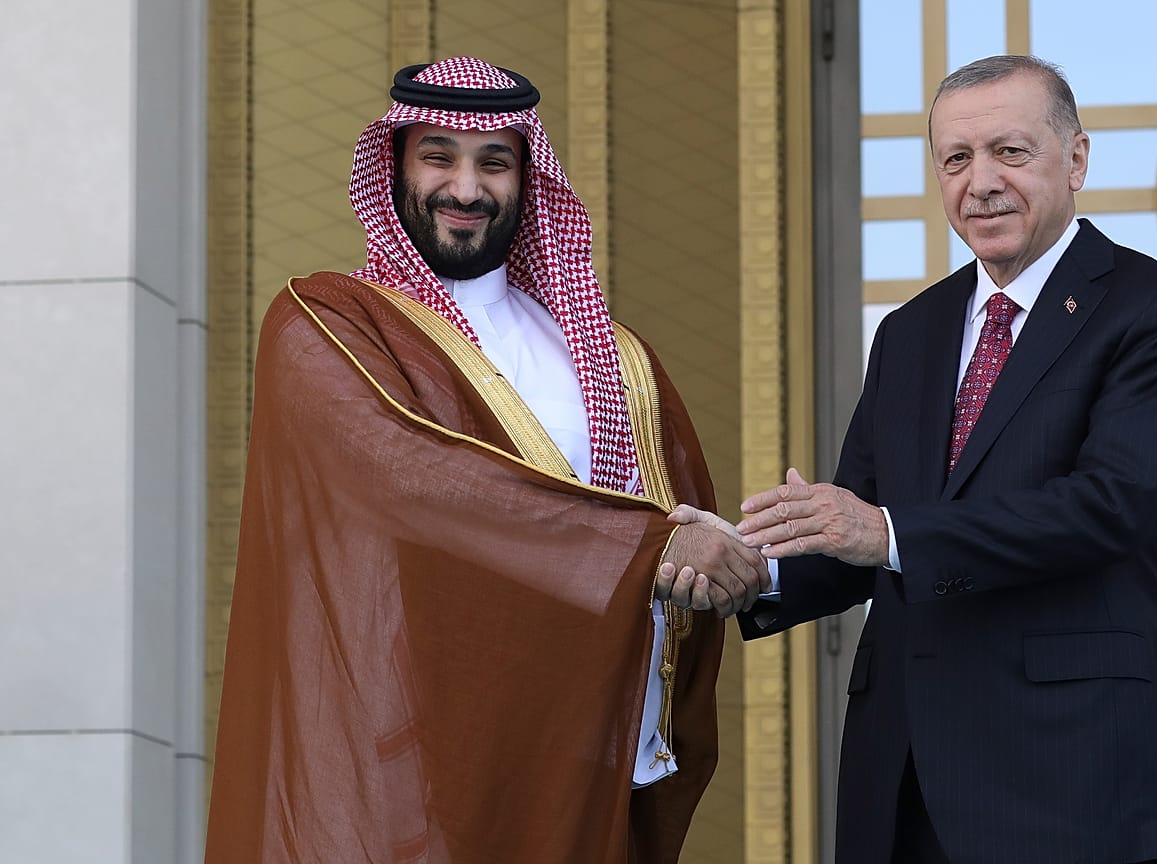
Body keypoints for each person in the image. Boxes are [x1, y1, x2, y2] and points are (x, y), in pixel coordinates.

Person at [205, 56, 768, 863]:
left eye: (493, 163)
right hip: (417, 759)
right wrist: (649, 548)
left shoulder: (613, 358)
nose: (465, 189)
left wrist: (757, 558)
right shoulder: (324, 324)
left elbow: (683, 522)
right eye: (439, 156)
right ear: (396, 164)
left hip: (584, 754)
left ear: (526, 179)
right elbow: (410, 479)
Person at [724, 55, 1157, 864]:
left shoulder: (1154, 312)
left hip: (1073, 777)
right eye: (956, 159)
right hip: (904, 779)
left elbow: (1108, 506)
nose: (979, 182)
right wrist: (749, 570)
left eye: (1009, 153)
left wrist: (881, 533)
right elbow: (857, 535)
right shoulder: (911, 331)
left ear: (1078, 159)